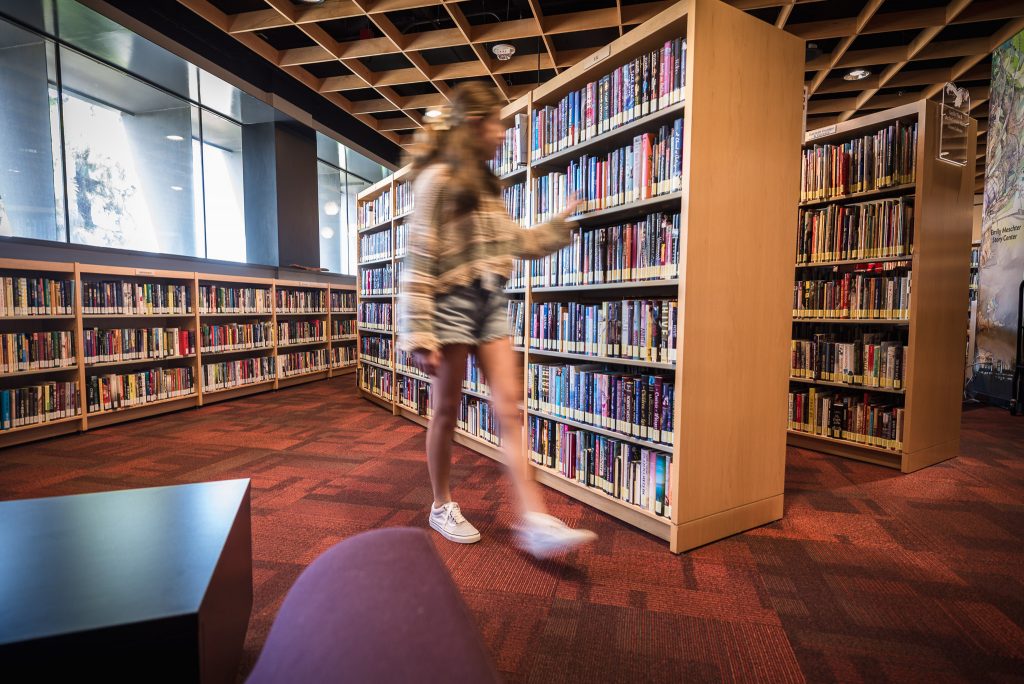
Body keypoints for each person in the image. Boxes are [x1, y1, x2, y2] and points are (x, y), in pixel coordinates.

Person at [398, 82, 596, 559]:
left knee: (510, 408)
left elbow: (515, 243)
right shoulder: (436, 180)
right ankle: (441, 504)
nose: (504, 134)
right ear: (474, 125)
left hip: (491, 301)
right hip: (449, 303)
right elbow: (419, 259)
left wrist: (559, 225)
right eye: (497, 124)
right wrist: (419, 332)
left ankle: (534, 519)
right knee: (446, 411)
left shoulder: (488, 187)